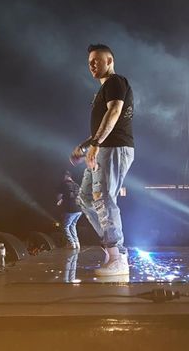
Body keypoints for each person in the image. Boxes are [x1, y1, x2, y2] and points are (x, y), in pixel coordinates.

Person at [71, 44, 134, 276]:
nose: (92, 65)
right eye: (89, 62)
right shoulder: (103, 89)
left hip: (114, 147)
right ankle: (113, 249)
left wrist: (96, 144)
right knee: (86, 198)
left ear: (109, 61)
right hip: (102, 147)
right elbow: (102, 124)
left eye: (97, 60)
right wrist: (86, 145)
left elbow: (115, 112)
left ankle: (117, 257)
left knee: (103, 197)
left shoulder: (116, 81)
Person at [56, 171, 82, 249]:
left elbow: (59, 196)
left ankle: (71, 243)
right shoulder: (76, 185)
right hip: (79, 209)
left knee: (65, 226)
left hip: (71, 209)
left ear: (66, 176)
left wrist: (59, 200)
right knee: (72, 225)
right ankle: (77, 243)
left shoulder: (64, 184)